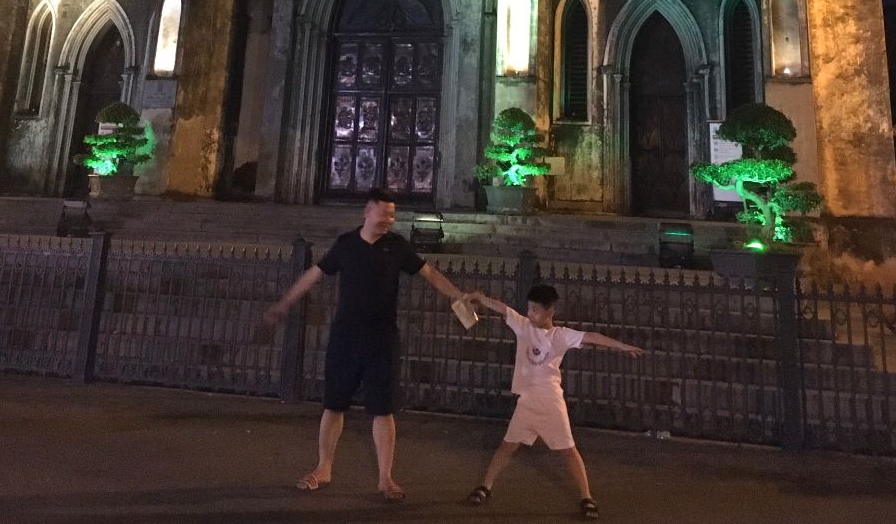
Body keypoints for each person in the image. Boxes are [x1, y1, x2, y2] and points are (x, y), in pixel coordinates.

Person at [263, 188, 467, 501]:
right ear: (367, 212)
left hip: (382, 337)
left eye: (392, 214)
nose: (389, 219)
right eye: (384, 213)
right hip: (346, 336)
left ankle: (386, 478)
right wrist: (286, 302)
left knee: (383, 409)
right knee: (334, 405)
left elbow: (429, 273)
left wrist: (457, 296)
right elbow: (315, 275)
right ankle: (323, 467)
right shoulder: (346, 244)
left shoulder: (396, 246)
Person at [464, 284, 644, 520]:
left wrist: (622, 346)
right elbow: (502, 308)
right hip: (527, 401)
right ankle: (485, 486)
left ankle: (587, 496)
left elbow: (591, 337)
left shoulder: (559, 335)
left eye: (536, 310)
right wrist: (480, 297)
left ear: (550, 311)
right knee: (507, 446)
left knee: (568, 451)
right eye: (529, 308)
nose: (530, 313)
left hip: (551, 402)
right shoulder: (523, 327)